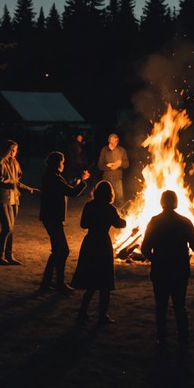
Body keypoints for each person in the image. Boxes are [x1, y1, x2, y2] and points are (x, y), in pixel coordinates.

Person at [140, 190, 194, 349]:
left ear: (161, 203)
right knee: (180, 305)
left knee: (161, 306)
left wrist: (155, 260)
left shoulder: (155, 221)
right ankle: (183, 338)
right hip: (180, 268)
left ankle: (162, 338)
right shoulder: (185, 221)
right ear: (176, 203)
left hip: (161, 270)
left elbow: (145, 248)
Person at [71, 180, 126, 325]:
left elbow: (84, 224)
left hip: (90, 242)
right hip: (102, 244)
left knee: (91, 280)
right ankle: (102, 315)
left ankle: (83, 311)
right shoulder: (109, 208)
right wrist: (122, 217)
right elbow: (120, 224)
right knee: (104, 282)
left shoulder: (89, 205)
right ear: (110, 194)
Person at [39, 151, 90, 294]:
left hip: (50, 217)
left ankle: (50, 282)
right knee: (61, 251)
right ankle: (55, 283)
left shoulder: (52, 175)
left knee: (58, 251)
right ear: (57, 163)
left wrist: (76, 182)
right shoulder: (54, 178)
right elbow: (72, 193)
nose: (63, 164)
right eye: (62, 162)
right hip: (53, 218)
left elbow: (65, 189)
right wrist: (83, 181)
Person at [0, 139, 37, 265]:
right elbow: (0, 182)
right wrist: (17, 186)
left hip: (14, 197)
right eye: (14, 150)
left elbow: (16, 180)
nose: (15, 153)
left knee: (11, 228)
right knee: (7, 227)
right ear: (10, 150)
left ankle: (9, 255)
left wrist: (27, 188)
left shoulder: (14, 162)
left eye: (15, 151)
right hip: (2, 197)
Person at [98, 133, 129, 207]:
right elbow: (100, 165)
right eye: (111, 142)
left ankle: (120, 214)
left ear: (117, 141)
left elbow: (127, 164)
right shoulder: (104, 150)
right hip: (107, 178)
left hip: (117, 178)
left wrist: (120, 164)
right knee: (106, 198)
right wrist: (108, 166)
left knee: (120, 198)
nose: (113, 144)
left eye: (115, 141)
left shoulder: (122, 150)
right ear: (109, 141)